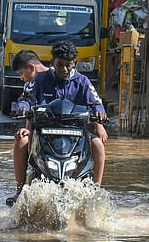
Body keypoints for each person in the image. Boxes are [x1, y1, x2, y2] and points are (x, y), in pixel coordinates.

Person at [9, 41, 108, 204]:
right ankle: (19, 191)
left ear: (74, 63)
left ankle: (96, 191)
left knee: (98, 145)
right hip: (44, 133)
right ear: (53, 62)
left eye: (68, 65)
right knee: (21, 142)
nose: (64, 69)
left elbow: (96, 102)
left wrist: (100, 113)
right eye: (59, 64)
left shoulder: (83, 82)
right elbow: (25, 97)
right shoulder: (40, 79)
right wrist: (23, 107)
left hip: (76, 134)